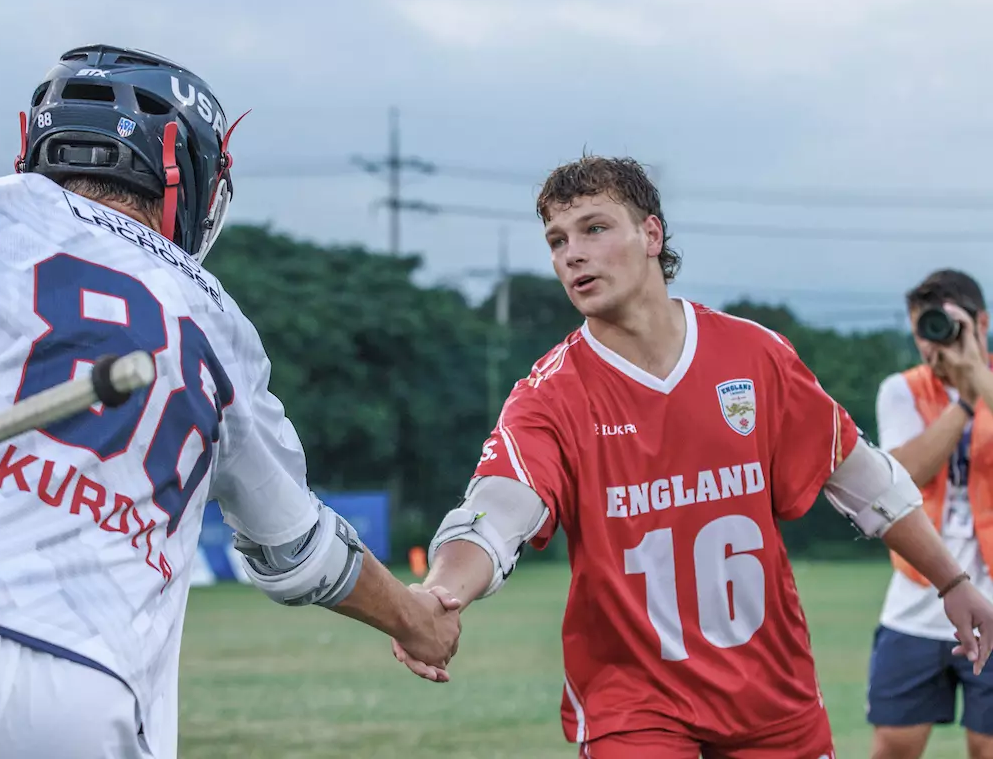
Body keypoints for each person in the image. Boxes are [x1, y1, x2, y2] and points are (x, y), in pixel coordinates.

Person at [0, 45, 460, 759]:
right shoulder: (219, 319)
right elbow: (296, 546)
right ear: (182, 169)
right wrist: (414, 619)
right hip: (96, 691)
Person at [390, 155, 993, 758]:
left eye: (595, 229)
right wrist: (439, 594)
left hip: (771, 695)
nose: (572, 253)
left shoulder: (754, 355)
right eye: (557, 240)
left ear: (651, 234)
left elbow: (866, 482)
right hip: (633, 703)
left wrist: (953, 582)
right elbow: (496, 511)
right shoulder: (550, 394)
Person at [867, 269, 993, 759]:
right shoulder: (902, 390)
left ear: (980, 322)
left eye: (944, 326)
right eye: (923, 329)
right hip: (917, 600)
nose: (931, 343)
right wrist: (964, 401)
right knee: (894, 745)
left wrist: (976, 371)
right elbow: (904, 475)